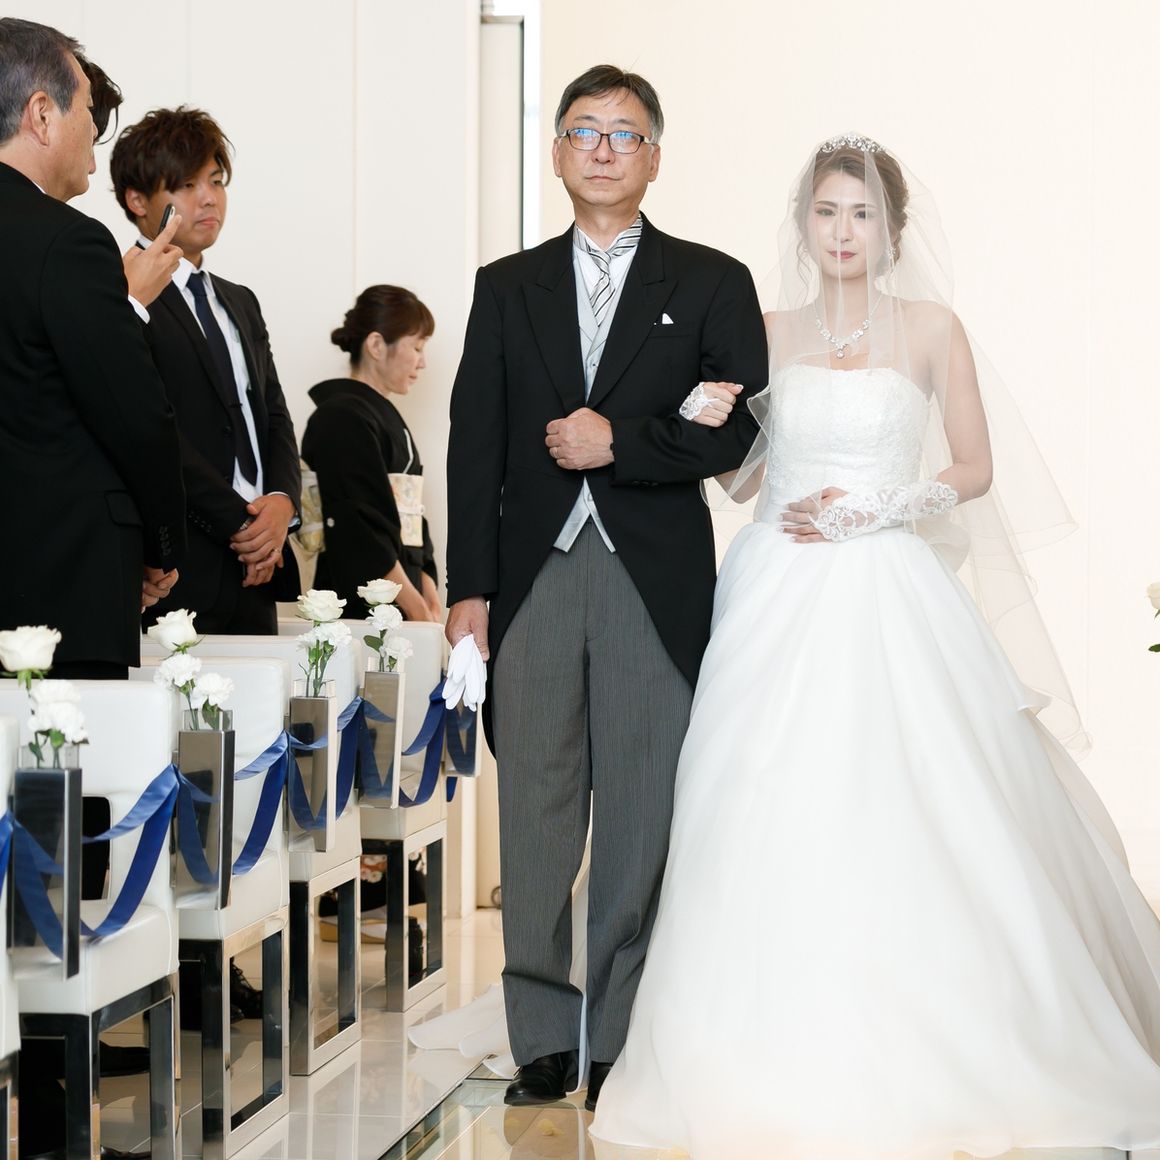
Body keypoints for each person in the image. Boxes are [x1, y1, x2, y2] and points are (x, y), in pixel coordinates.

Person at [589, 135, 1160, 1157]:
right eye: (826, 212)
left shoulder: (933, 329)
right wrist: (702, 415)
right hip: (775, 587)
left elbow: (975, 467)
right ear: (802, 224)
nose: (843, 232)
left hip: (889, 582)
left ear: (892, 228)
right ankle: (746, 1043)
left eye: (861, 213)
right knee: (752, 795)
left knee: (915, 792)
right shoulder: (765, 330)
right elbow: (741, 474)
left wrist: (876, 508)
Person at [445, 64, 768, 1111]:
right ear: (555, 152)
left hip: (652, 579)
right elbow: (474, 444)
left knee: (639, 810)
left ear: (654, 158)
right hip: (530, 576)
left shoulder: (710, 281)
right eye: (582, 130)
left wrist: (616, 441)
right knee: (534, 808)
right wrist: (467, 589)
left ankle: (619, 1035)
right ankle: (542, 1037)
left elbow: (740, 432)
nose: (601, 148)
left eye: (623, 133)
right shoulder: (506, 285)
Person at [0, 18, 185, 681]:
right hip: (60, 588)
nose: (94, 138)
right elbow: (132, 412)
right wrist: (162, 546)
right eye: (87, 110)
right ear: (41, 114)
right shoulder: (68, 241)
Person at [110, 106, 301, 635]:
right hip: (177, 569)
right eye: (187, 184)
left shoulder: (240, 301)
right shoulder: (118, 292)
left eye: (216, 181)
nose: (209, 198)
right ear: (137, 200)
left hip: (260, 571)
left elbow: (274, 415)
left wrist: (281, 505)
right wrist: (242, 525)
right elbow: (148, 425)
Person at [302, 285, 442, 622]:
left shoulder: (376, 414)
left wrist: (428, 594)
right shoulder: (342, 416)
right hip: (366, 601)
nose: (423, 362)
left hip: (402, 594)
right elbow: (359, 528)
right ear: (377, 345)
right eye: (417, 347)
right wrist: (416, 606)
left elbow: (411, 519)